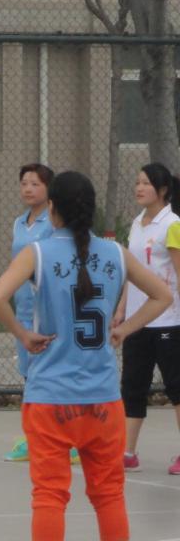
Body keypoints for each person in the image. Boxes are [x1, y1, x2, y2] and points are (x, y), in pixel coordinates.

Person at [0, 170, 171, 541]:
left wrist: (23, 334)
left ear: (52, 207)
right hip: (103, 396)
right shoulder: (115, 253)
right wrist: (124, 328)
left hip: (51, 396)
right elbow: (163, 295)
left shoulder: (38, 252)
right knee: (109, 495)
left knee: (49, 496)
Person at [114, 162, 180, 475]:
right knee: (132, 386)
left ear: (162, 190)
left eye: (146, 183)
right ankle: (127, 452)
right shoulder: (137, 223)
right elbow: (133, 272)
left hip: (169, 321)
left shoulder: (173, 224)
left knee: (176, 388)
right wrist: (122, 309)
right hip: (138, 322)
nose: (139, 188)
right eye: (137, 182)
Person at [4, 163, 64, 462]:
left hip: (48, 311)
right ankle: (34, 438)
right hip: (23, 310)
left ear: (49, 190)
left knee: (50, 377)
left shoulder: (54, 223)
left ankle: (63, 439)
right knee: (30, 376)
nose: (28, 189)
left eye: (35, 184)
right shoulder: (19, 223)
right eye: (24, 183)